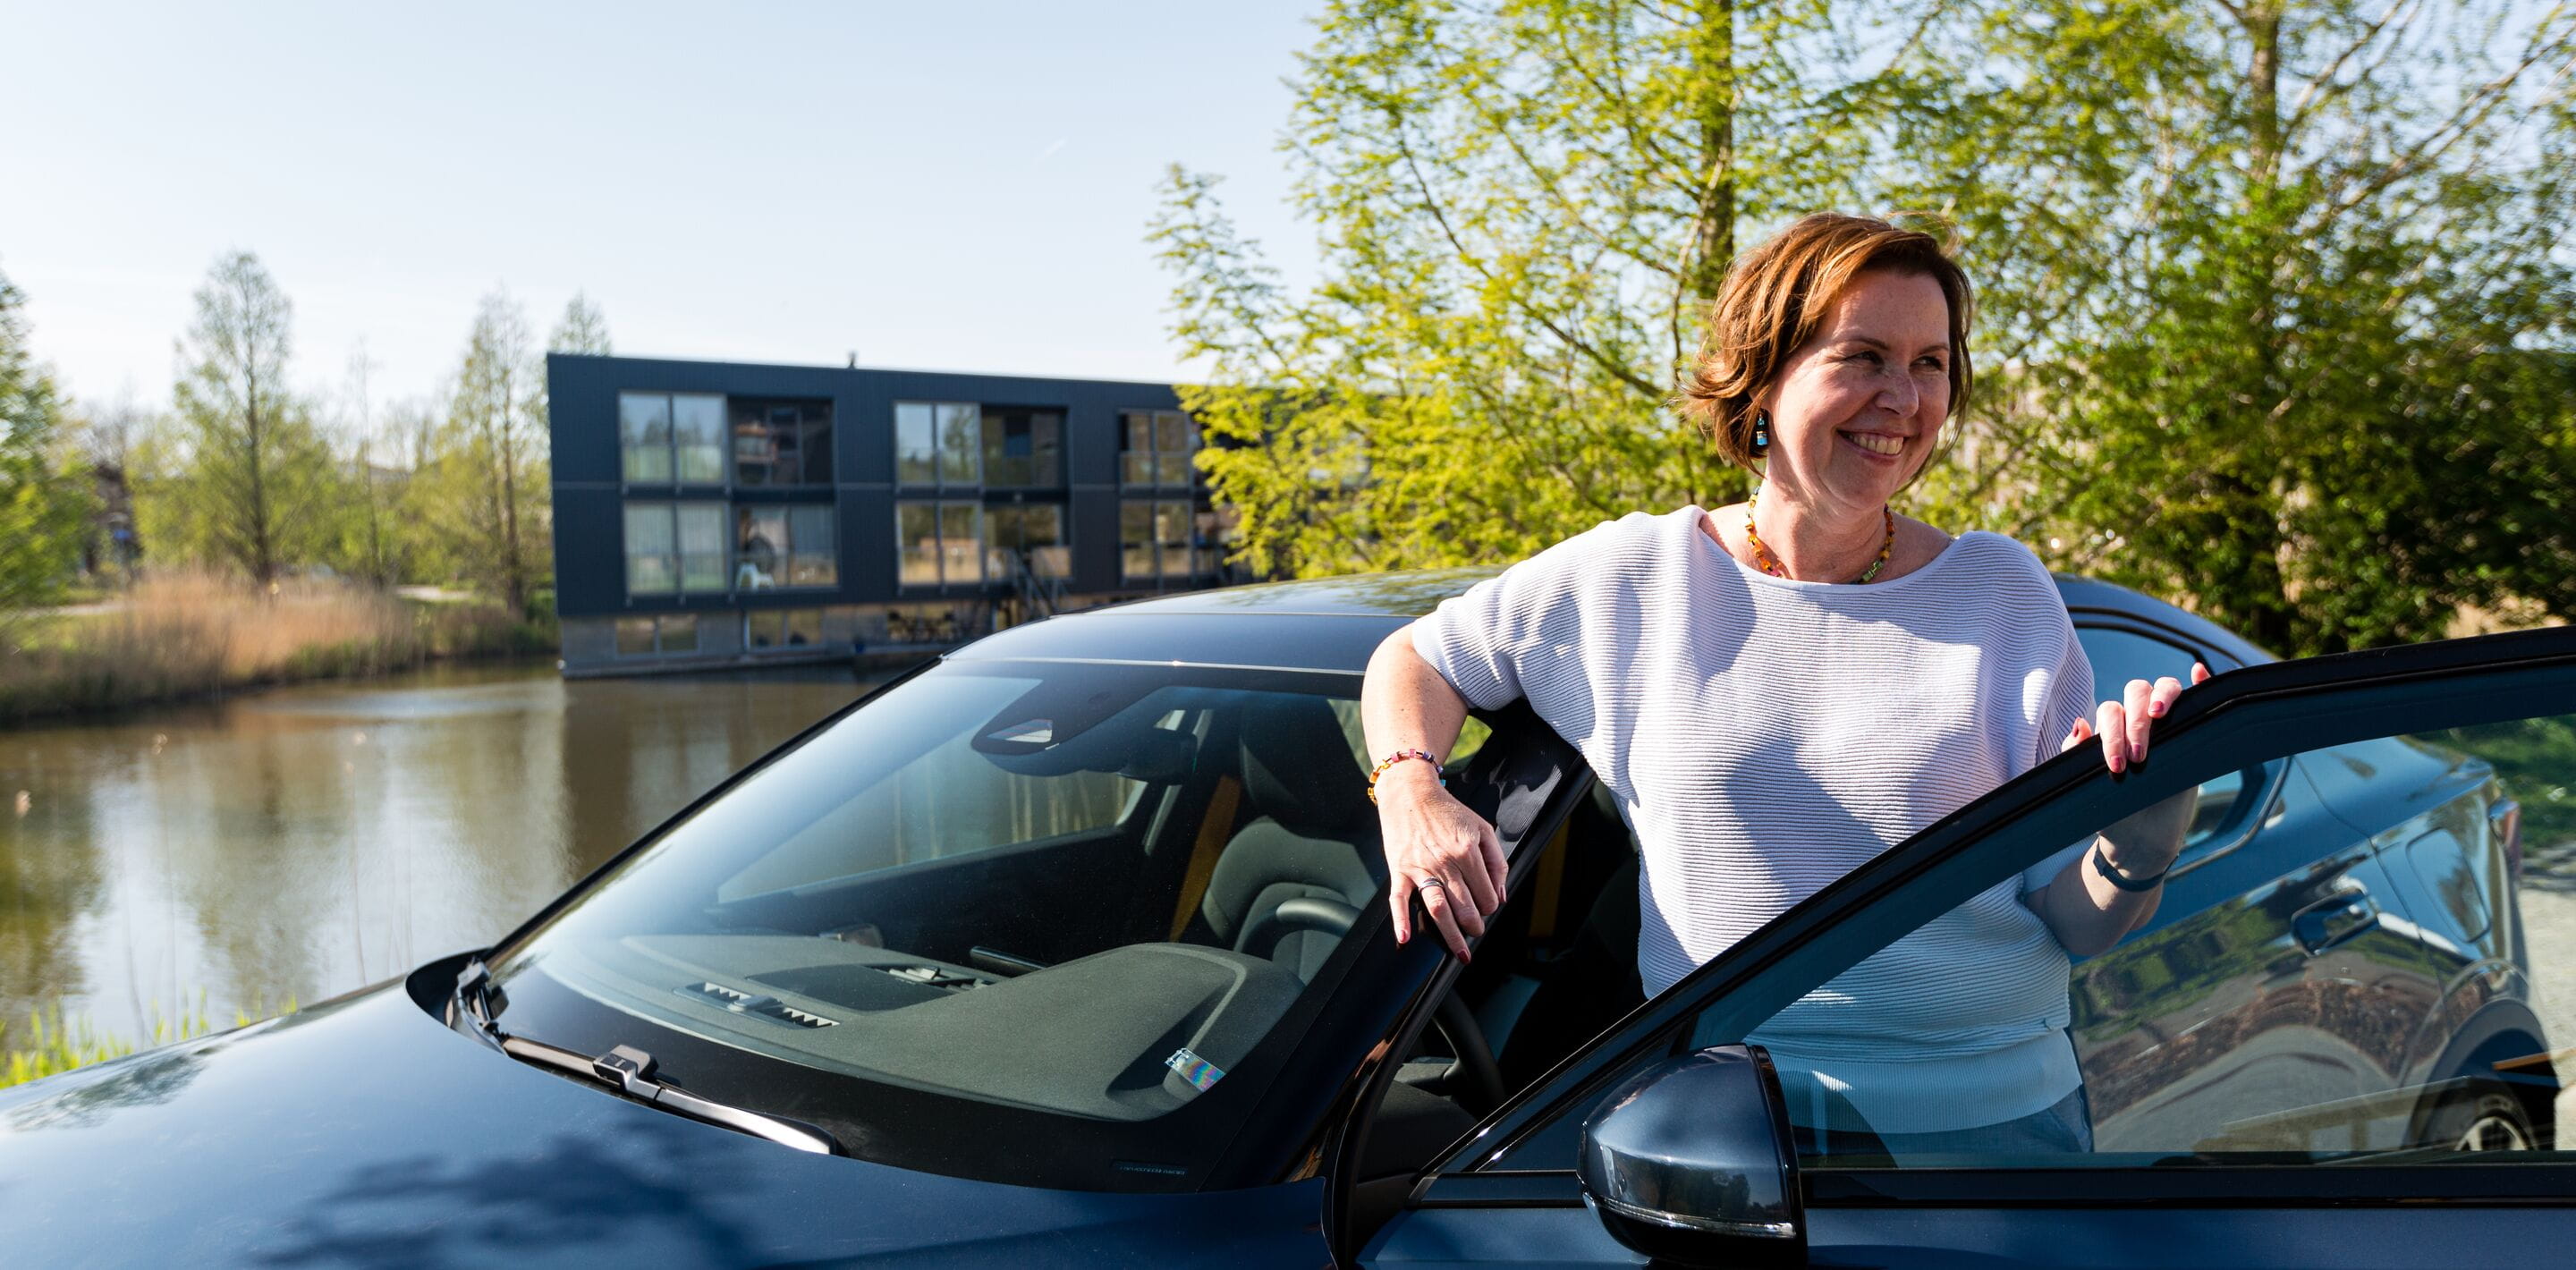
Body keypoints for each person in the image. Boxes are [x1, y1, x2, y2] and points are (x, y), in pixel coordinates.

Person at [1358, 213, 2203, 1157]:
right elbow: (1419, 659)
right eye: (1865, 356)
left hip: (1997, 1134)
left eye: (1930, 364)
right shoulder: (1639, 577)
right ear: (1763, 377)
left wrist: (2139, 844)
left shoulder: (2002, 590)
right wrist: (1411, 787)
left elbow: (2076, 922)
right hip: (1726, 1140)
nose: (1903, 397)